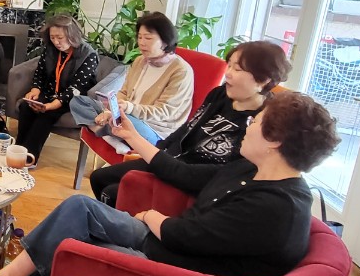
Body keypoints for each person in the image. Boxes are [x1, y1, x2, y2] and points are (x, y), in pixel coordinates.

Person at [0, 90, 339, 276]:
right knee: (80, 207)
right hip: (166, 245)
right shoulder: (249, 169)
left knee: (75, 246)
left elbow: (186, 238)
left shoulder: (275, 208)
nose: (249, 124)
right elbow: (185, 175)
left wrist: (149, 217)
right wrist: (133, 138)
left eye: (257, 121)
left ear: (275, 141)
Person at [89, 40, 291, 204]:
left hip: (193, 183)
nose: (228, 73)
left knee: (113, 193)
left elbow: (213, 176)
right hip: (170, 161)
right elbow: (187, 128)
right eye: (229, 65)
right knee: (100, 178)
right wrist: (159, 151)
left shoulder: (260, 124)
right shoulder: (220, 94)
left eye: (237, 69)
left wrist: (152, 154)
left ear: (263, 80)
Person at [69, 11, 194, 150]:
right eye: (139, 37)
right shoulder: (140, 61)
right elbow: (124, 92)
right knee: (79, 102)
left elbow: (164, 112)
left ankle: (110, 132)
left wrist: (128, 108)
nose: (141, 42)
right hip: (126, 116)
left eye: (148, 38)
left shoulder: (180, 71)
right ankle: (110, 135)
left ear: (165, 41)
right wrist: (112, 111)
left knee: (124, 122)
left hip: (154, 131)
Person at [16, 14, 99, 163]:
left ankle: (29, 159)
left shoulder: (88, 55)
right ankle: (18, 151)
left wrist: (52, 105)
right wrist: (35, 90)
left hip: (73, 99)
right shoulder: (51, 49)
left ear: (72, 35)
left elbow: (76, 88)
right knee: (26, 107)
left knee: (46, 115)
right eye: (52, 37)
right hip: (50, 92)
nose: (56, 42)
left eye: (60, 38)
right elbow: (40, 72)